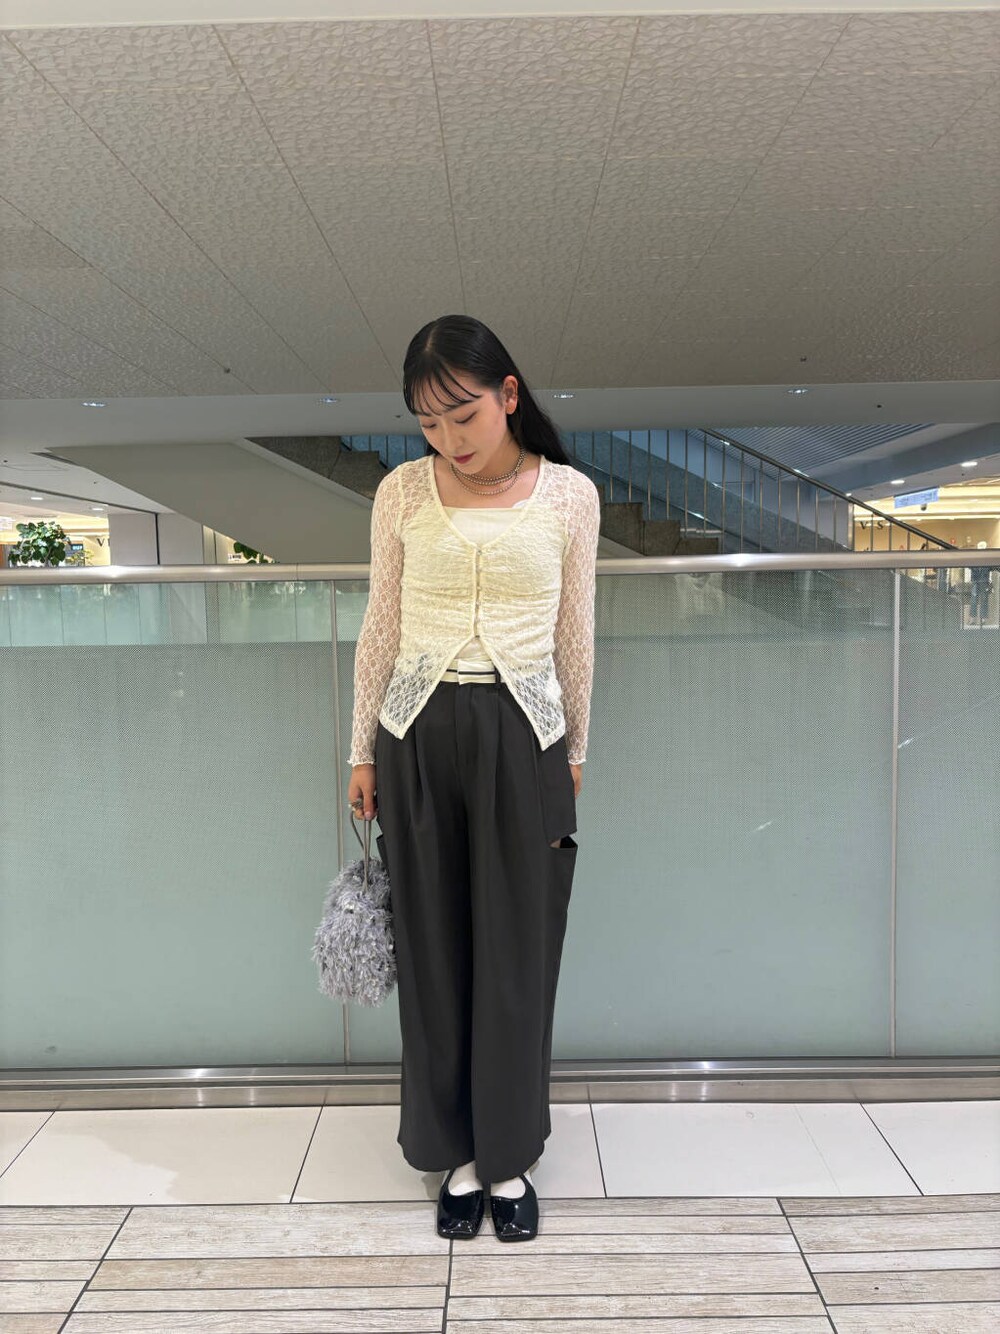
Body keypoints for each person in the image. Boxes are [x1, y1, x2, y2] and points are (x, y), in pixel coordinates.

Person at [345, 314, 601, 1243]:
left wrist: (575, 752)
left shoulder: (570, 494)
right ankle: (453, 1151)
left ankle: (510, 1154)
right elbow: (380, 624)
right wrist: (360, 750)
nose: (449, 438)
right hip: (415, 732)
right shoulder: (402, 492)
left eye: (464, 415)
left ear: (509, 395)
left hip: (526, 737)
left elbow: (577, 631)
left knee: (518, 953)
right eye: (429, 422)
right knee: (433, 948)